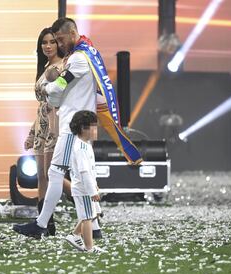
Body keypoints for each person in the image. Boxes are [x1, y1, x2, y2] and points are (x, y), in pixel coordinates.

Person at [13, 17, 141, 239]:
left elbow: (56, 89)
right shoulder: (82, 56)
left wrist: (48, 87)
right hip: (76, 126)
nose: (59, 45)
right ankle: (93, 229)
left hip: (73, 127)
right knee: (79, 178)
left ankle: (42, 224)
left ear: (72, 34)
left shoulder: (79, 60)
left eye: (60, 40)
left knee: (57, 174)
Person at [23, 27, 65, 236]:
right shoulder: (45, 67)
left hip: (56, 124)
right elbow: (41, 105)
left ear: (58, 44)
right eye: (44, 43)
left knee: (52, 173)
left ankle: (88, 199)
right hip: (41, 125)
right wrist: (32, 132)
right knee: (41, 176)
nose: (48, 46)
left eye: (51, 42)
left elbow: (59, 98)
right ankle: (45, 224)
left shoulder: (61, 67)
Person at [65, 110, 105, 253]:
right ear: (83, 128)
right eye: (93, 126)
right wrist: (92, 191)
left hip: (85, 188)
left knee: (89, 214)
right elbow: (84, 172)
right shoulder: (81, 147)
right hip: (83, 189)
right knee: (88, 217)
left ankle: (74, 235)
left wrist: (94, 185)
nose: (96, 130)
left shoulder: (85, 145)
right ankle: (89, 247)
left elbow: (89, 171)